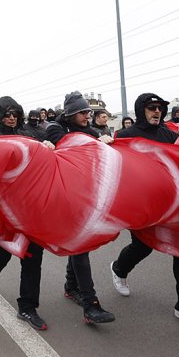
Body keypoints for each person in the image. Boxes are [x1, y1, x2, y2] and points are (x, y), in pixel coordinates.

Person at [110, 93, 179, 331]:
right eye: (151, 108)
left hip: (174, 202)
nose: (156, 112)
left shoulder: (170, 135)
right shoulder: (124, 136)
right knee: (143, 246)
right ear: (141, 109)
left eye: (160, 108)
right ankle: (119, 268)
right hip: (143, 204)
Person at [0, 96, 54, 331]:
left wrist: (49, 148)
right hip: (3, 209)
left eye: (15, 113)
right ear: (0, 115)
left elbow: (44, 163)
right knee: (1, 255)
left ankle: (28, 307)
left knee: (33, 257)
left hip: (29, 208)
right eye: (7, 114)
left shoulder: (29, 137)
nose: (11, 117)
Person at [45, 91, 116, 324]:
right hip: (63, 195)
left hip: (85, 196)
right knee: (80, 246)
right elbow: (69, 149)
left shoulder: (90, 130)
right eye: (84, 113)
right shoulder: (55, 130)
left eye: (89, 112)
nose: (88, 116)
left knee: (80, 245)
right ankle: (90, 304)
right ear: (72, 114)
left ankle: (70, 286)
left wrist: (104, 140)